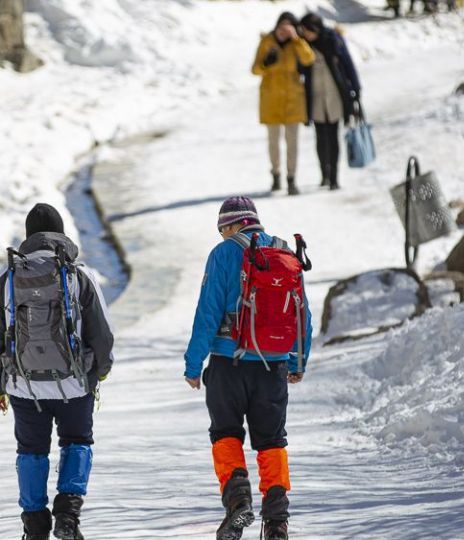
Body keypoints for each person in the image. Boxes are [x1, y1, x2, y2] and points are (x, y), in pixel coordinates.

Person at [0, 203, 114, 540]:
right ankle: (67, 516)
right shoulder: (79, 275)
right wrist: (98, 373)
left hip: (24, 386)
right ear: (61, 234)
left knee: (31, 450)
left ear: (28, 237)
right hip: (74, 383)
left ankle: (34, 526)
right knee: (77, 442)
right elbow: (102, 335)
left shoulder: (7, 278)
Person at [183, 196, 313, 540]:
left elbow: (207, 313)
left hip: (228, 364)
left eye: (222, 227)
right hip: (273, 366)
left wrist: (194, 365)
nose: (222, 234)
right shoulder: (285, 253)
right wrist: (297, 361)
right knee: (272, 441)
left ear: (232, 225)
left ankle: (238, 500)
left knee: (225, 434)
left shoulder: (223, 254)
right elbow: (302, 316)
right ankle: (277, 521)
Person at [252, 13, 316, 195]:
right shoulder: (266, 41)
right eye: (281, 27)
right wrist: (265, 63)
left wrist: (296, 39)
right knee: (273, 142)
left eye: (288, 28)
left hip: (293, 100)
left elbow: (308, 59)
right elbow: (254, 70)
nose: (283, 32)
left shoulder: (296, 44)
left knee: (292, 142)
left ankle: (291, 178)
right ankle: (275, 174)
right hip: (271, 99)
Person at [299, 13, 361, 191]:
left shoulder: (333, 40)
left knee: (333, 137)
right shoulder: (304, 46)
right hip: (316, 98)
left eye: (307, 30)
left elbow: (348, 65)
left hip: (335, 95)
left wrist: (356, 90)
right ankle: (324, 175)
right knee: (320, 138)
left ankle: (334, 177)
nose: (306, 34)